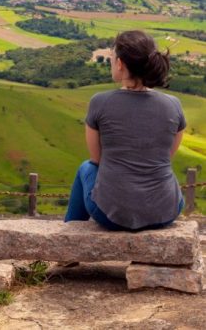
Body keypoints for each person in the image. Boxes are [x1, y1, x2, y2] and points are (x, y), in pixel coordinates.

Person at [64, 30, 185, 231]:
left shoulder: (99, 102)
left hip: (110, 215)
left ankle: (68, 244)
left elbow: (97, 159)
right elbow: (167, 155)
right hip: (166, 210)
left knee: (86, 167)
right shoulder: (174, 104)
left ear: (120, 64)